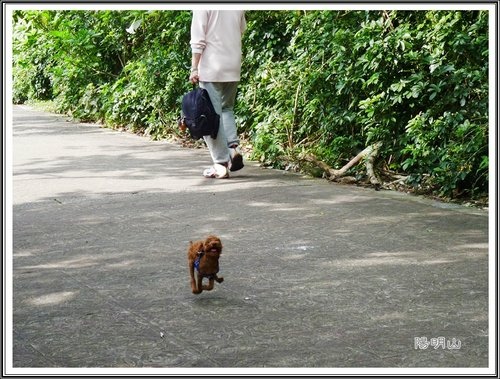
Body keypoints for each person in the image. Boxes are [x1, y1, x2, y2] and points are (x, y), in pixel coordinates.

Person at [189, 10, 246, 179]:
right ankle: (233, 148)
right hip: (233, 65)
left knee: (208, 116)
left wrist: (194, 68)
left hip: (212, 68)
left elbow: (198, 39)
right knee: (226, 109)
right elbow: (241, 29)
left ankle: (220, 164)